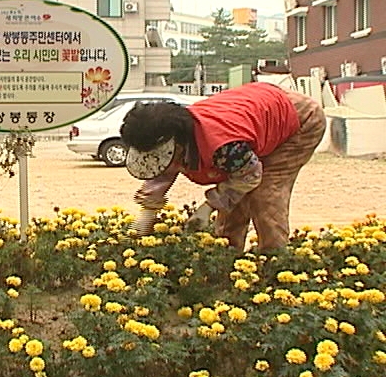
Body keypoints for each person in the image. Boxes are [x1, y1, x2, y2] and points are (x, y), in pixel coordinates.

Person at [120, 82, 326, 252]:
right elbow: (160, 175)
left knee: (264, 194)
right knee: (234, 196)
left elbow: (249, 175)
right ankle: (226, 256)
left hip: (298, 118)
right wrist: (142, 225)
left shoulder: (223, 145)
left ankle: (275, 262)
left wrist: (208, 207)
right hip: (256, 110)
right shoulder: (172, 136)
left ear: (178, 143)